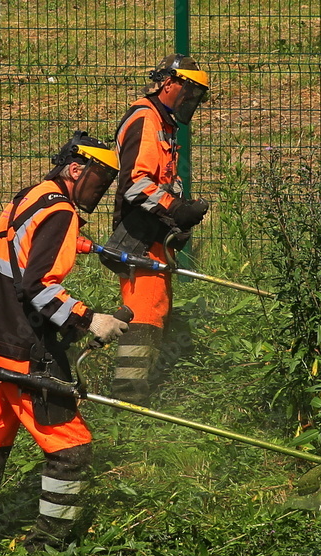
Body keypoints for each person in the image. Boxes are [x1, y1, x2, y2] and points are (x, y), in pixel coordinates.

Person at [0, 131, 129, 556]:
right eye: (100, 180)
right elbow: (39, 287)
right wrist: (89, 319)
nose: (101, 190)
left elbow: (15, 266)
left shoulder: (32, 195)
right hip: (24, 351)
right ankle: (48, 551)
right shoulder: (61, 212)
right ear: (76, 169)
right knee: (72, 448)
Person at [101, 53, 210, 405]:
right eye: (189, 91)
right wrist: (175, 209)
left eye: (197, 95)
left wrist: (175, 224)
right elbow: (136, 184)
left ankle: (142, 391)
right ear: (168, 83)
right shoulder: (146, 119)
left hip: (153, 235)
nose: (190, 100)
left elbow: (164, 181)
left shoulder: (163, 124)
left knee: (156, 310)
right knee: (145, 313)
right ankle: (129, 400)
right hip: (137, 235)